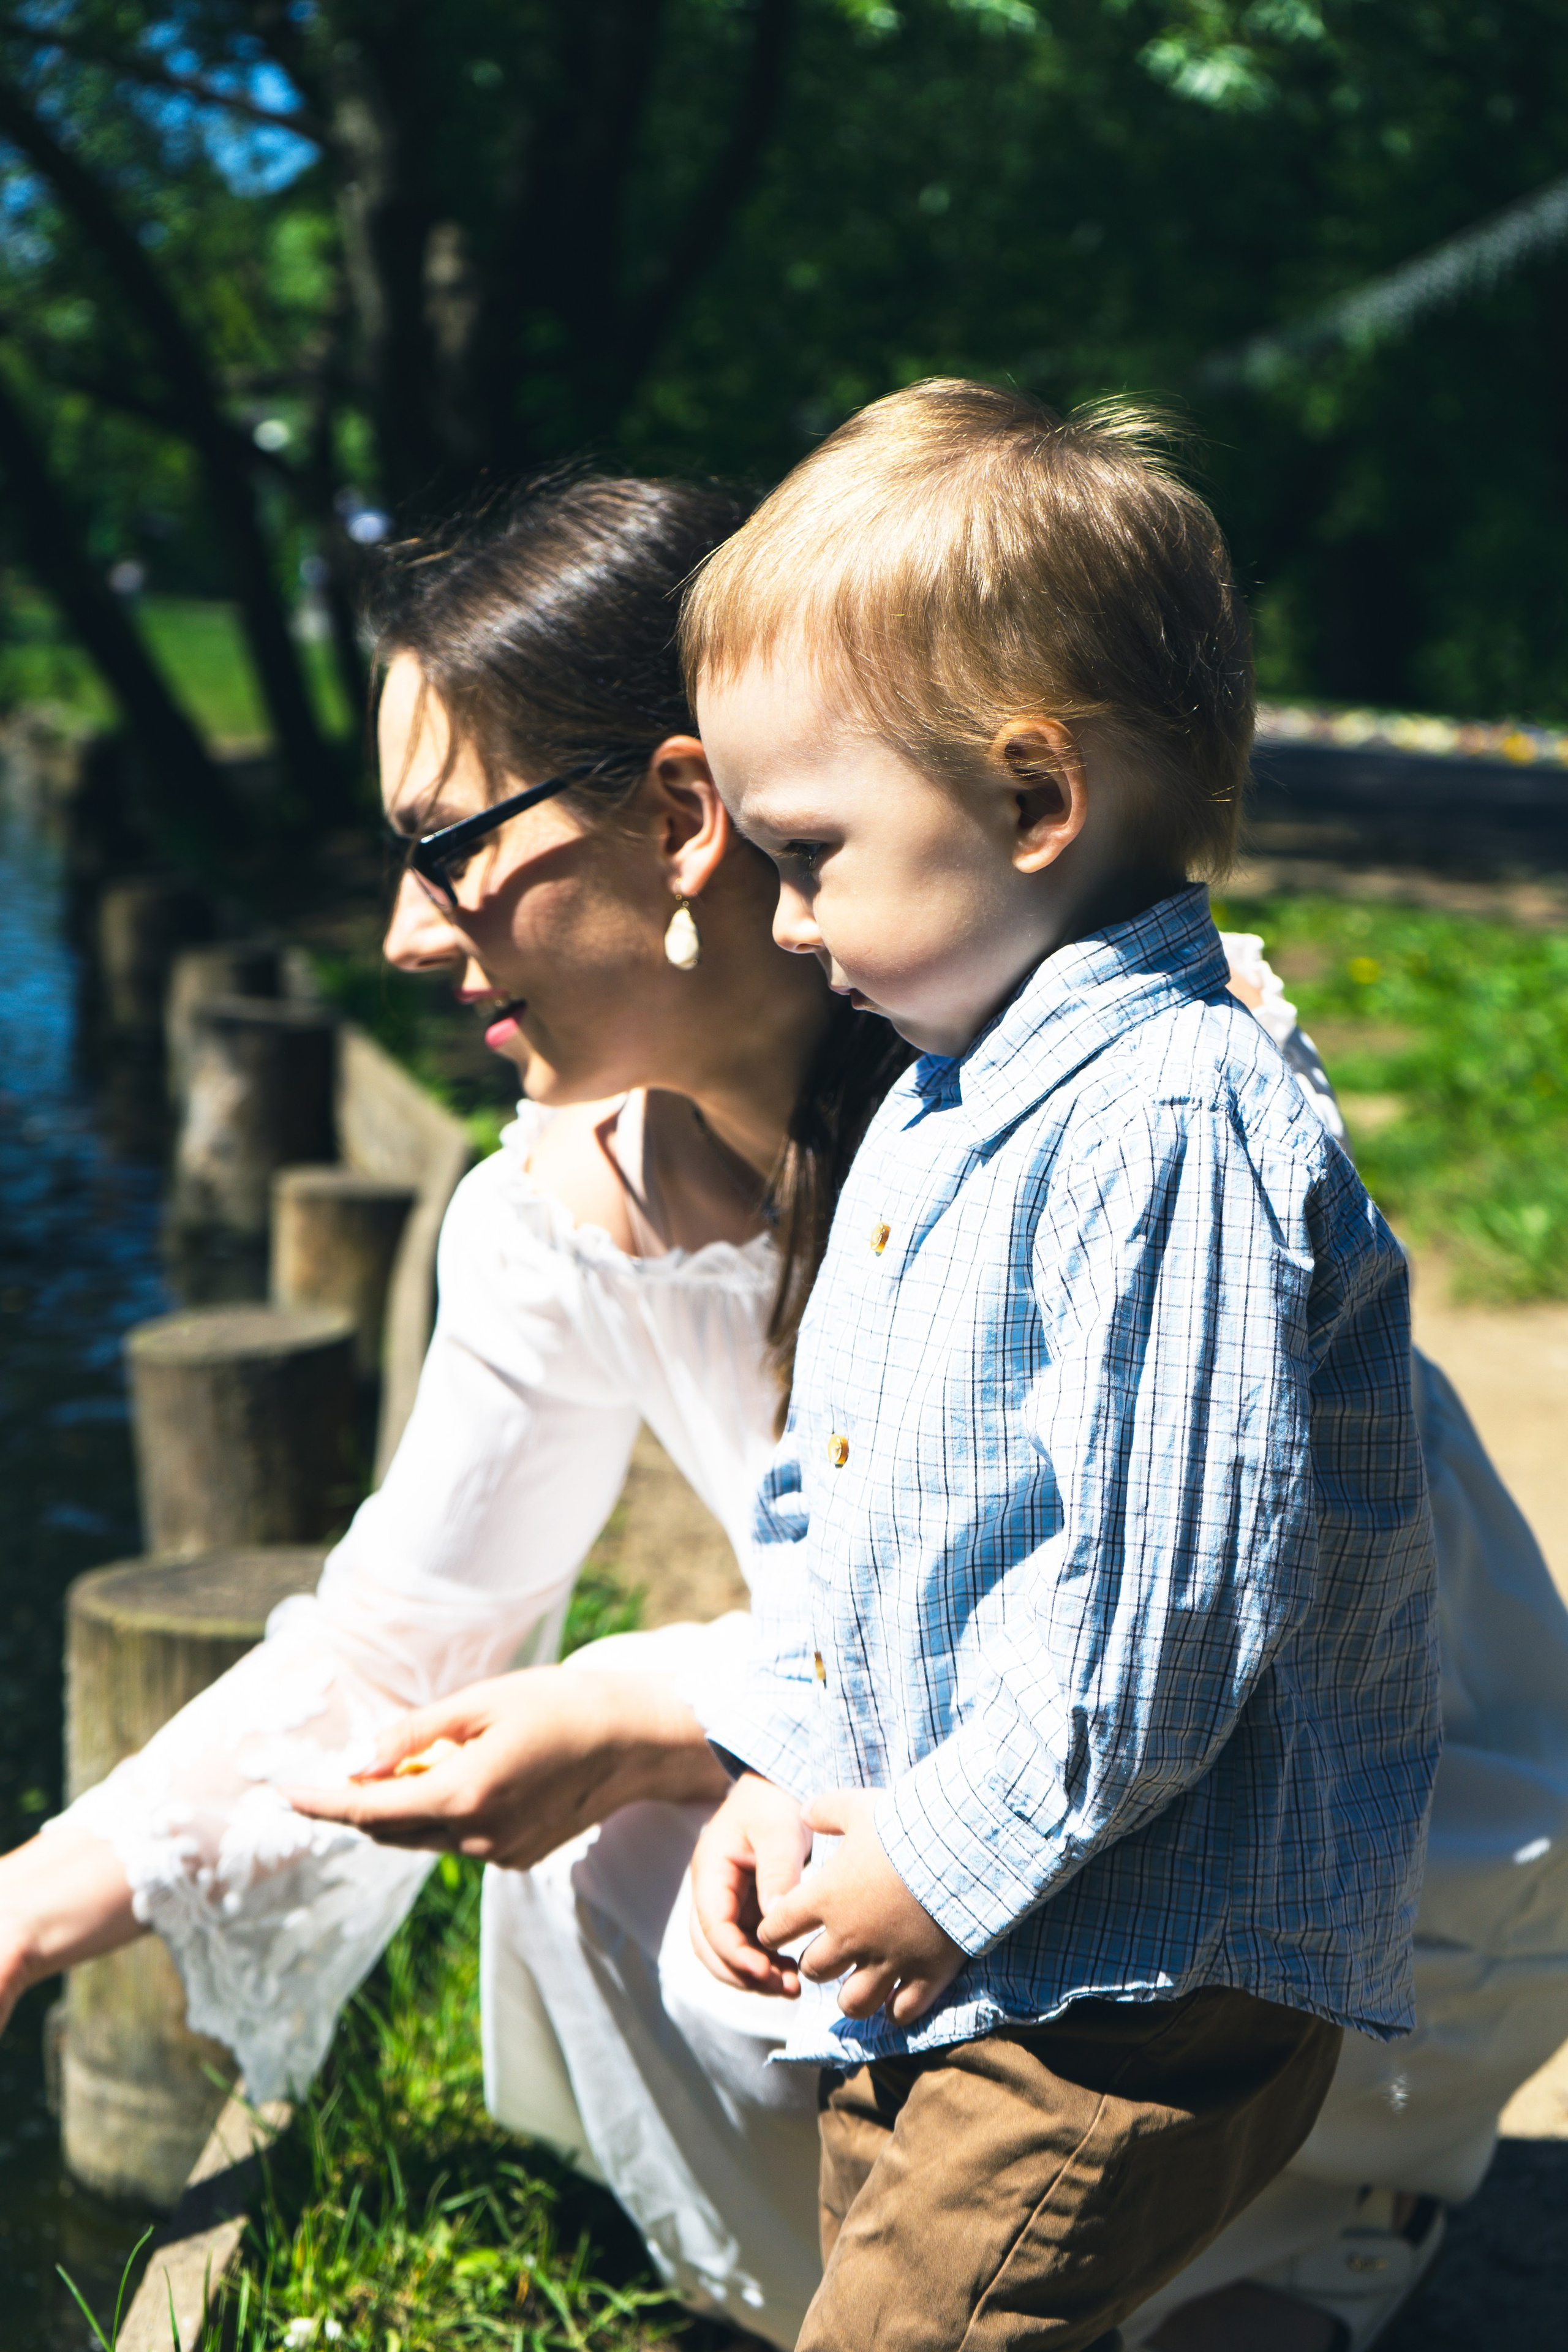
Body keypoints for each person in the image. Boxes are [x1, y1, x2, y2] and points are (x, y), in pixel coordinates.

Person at [0, 467, 1562, 2352]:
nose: (409, 933)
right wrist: (25, 1911)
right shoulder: (572, 1201)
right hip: (1014, 1819)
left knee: (680, 1802)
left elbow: (1199, 1613)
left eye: (450, 846)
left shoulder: (1130, 1104)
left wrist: (658, 1703)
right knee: (615, 1874)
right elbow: (399, 1643)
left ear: (681, 819)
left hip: (1328, 1875)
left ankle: (1316, 2244)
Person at [683, 379, 1439, 2350]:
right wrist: (794, 1765)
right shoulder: (939, 1106)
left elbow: (1175, 1601)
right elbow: (838, 1498)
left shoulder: (1174, 1117)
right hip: (966, 1945)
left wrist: (938, 1860)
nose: (785, 920)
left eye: (811, 852)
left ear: (1034, 801)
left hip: (1132, 1974)